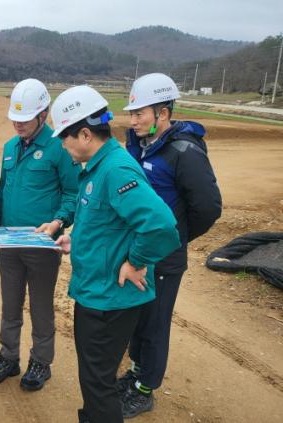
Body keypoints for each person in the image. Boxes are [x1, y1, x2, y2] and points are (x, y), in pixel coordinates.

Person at [50, 86, 180, 423]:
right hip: (97, 292)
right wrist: (76, 242)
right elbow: (108, 224)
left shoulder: (115, 170)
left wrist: (136, 261)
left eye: (64, 137)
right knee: (95, 379)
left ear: (84, 134)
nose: (62, 146)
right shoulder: (97, 167)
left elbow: (161, 225)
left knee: (98, 385)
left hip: (109, 300)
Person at [117, 73, 222, 418]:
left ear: (162, 113)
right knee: (138, 319)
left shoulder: (184, 152)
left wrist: (175, 238)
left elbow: (207, 208)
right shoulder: (141, 144)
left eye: (139, 114)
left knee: (155, 324)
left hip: (164, 257)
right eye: (132, 114)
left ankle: (144, 390)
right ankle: (135, 373)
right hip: (139, 252)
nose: (133, 121)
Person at [0, 78, 79, 391]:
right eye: (15, 117)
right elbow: (2, 191)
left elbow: (73, 193)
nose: (18, 123)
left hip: (41, 244)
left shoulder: (60, 147)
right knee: (10, 305)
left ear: (43, 114)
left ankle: (41, 361)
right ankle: (8, 357)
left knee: (40, 306)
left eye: (25, 118)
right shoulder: (10, 148)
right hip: (10, 243)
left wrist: (59, 221)